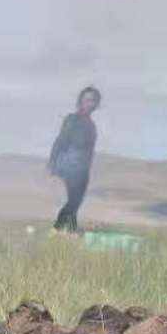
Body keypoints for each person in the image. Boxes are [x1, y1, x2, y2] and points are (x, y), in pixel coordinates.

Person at [47, 86, 101, 233]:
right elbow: (61, 141)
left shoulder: (91, 124)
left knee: (75, 202)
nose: (90, 103)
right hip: (72, 166)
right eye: (87, 100)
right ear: (81, 101)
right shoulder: (72, 119)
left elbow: (89, 151)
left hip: (83, 168)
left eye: (93, 100)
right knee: (74, 202)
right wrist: (53, 162)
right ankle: (57, 229)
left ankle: (71, 232)